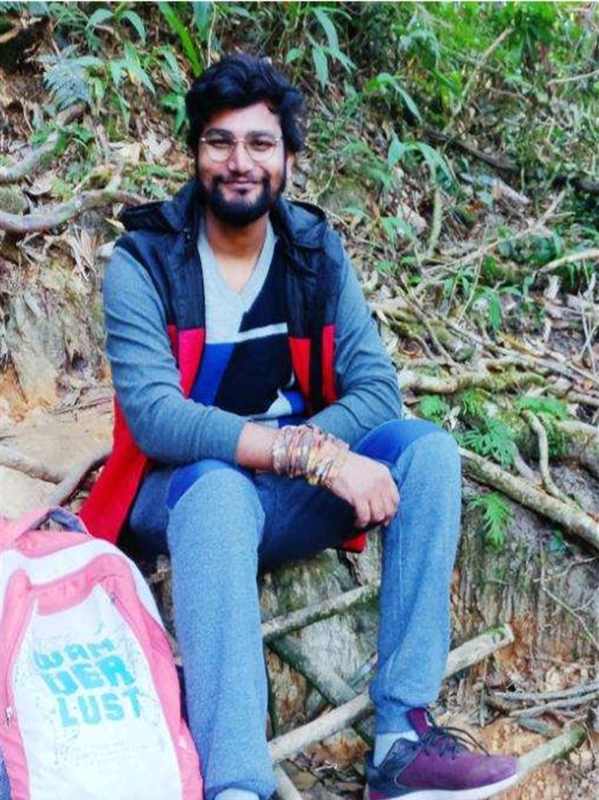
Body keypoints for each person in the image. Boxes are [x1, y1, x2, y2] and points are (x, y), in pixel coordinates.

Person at [80, 54, 518, 800]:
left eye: (260, 142)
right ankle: (236, 782)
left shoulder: (313, 253)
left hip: (285, 492)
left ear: (287, 157)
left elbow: (376, 387)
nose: (239, 162)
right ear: (194, 153)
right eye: (219, 142)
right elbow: (156, 419)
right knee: (219, 492)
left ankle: (403, 738)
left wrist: (314, 454)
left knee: (429, 454)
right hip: (182, 496)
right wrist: (310, 455)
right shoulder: (145, 261)